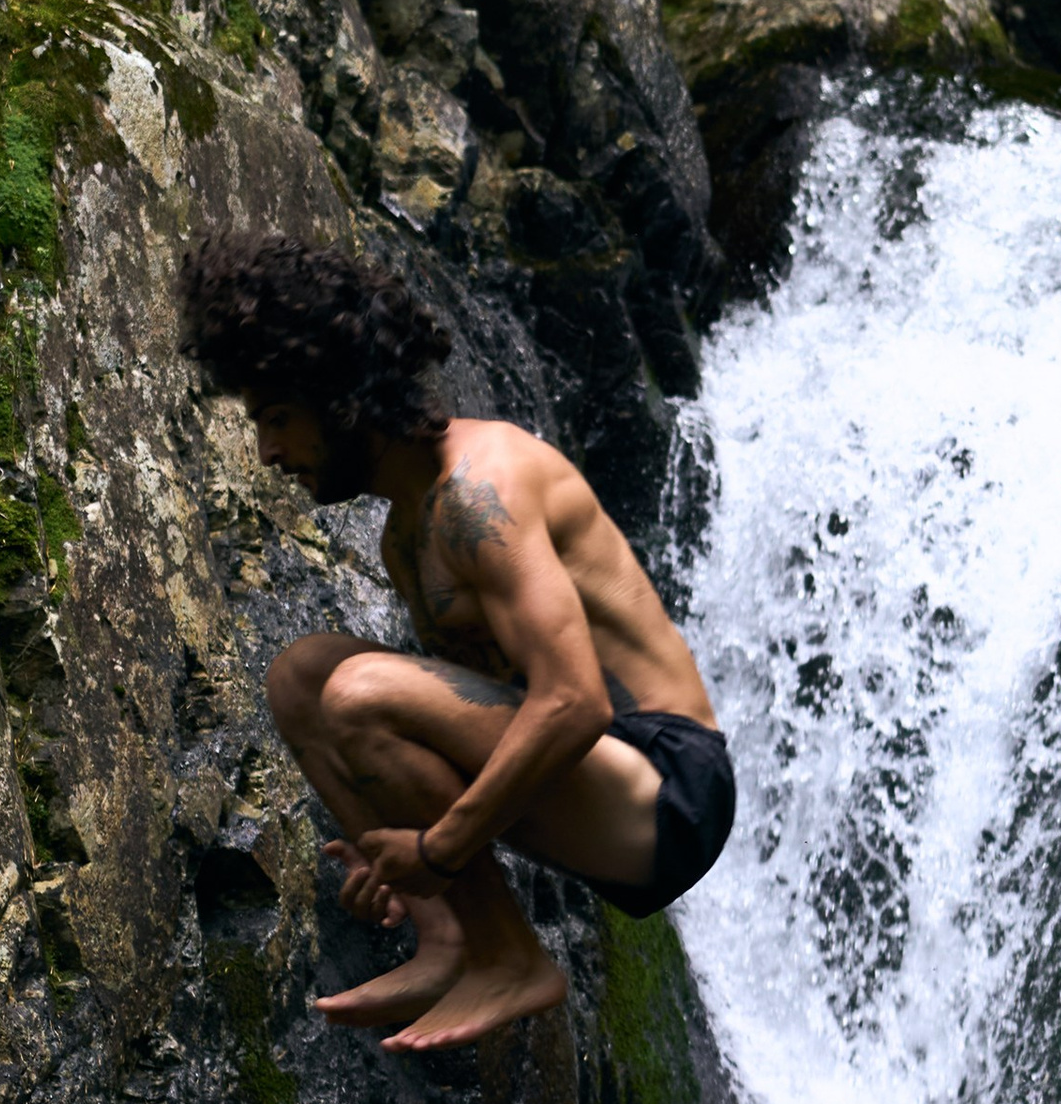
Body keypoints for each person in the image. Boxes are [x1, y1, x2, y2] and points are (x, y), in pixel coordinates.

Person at [179, 229, 735, 1052]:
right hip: (589, 776)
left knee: (358, 693)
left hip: (668, 788)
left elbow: (575, 702)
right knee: (300, 678)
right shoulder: (403, 537)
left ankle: (509, 957)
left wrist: (436, 848)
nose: (267, 453)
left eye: (279, 419)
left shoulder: (481, 492)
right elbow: (460, 727)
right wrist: (394, 850)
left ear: (338, 396)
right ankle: (447, 940)